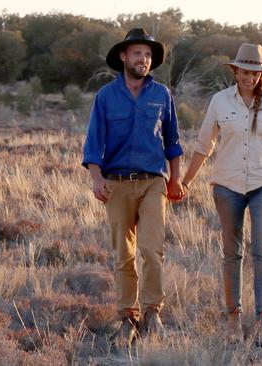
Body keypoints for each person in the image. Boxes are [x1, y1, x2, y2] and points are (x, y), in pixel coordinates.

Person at [180, 43, 262, 346]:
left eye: (255, 72)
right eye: (244, 71)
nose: (249, 77)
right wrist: (186, 182)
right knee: (232, 253)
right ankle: (233, 321)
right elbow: (204, 145)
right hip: (227, 185)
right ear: (235, 71)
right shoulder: (219, 101)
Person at [82, 28, 185, 347]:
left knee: (152, 250)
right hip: (116, 185)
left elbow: (173, 140)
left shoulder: (162, 95)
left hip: (154, 182)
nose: (144, 59)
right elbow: (93, 144)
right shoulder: (105, 97)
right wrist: (97, 179)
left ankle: (153, 313)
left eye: (149, 55)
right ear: (124, 57)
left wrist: (176, 177)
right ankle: (128, 317)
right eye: (138, 53)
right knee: (123, 255)